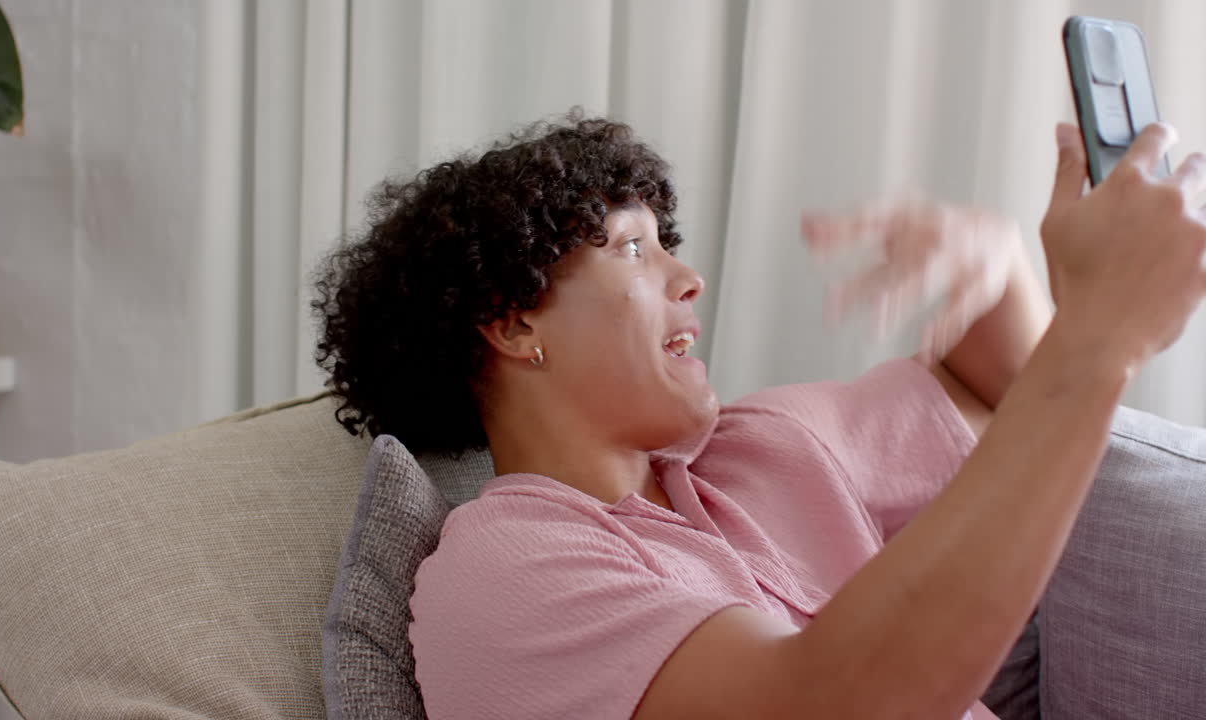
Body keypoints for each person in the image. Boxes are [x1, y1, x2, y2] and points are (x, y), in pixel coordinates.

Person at [312, 111, 1206, 719]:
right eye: (633, 250)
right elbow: (827, 703)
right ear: (513, 324)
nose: (688, 279)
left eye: (671, 247)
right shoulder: (502, 571)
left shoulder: (756, 448)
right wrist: (1098, 337)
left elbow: (1001, 405)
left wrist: (999, 270)